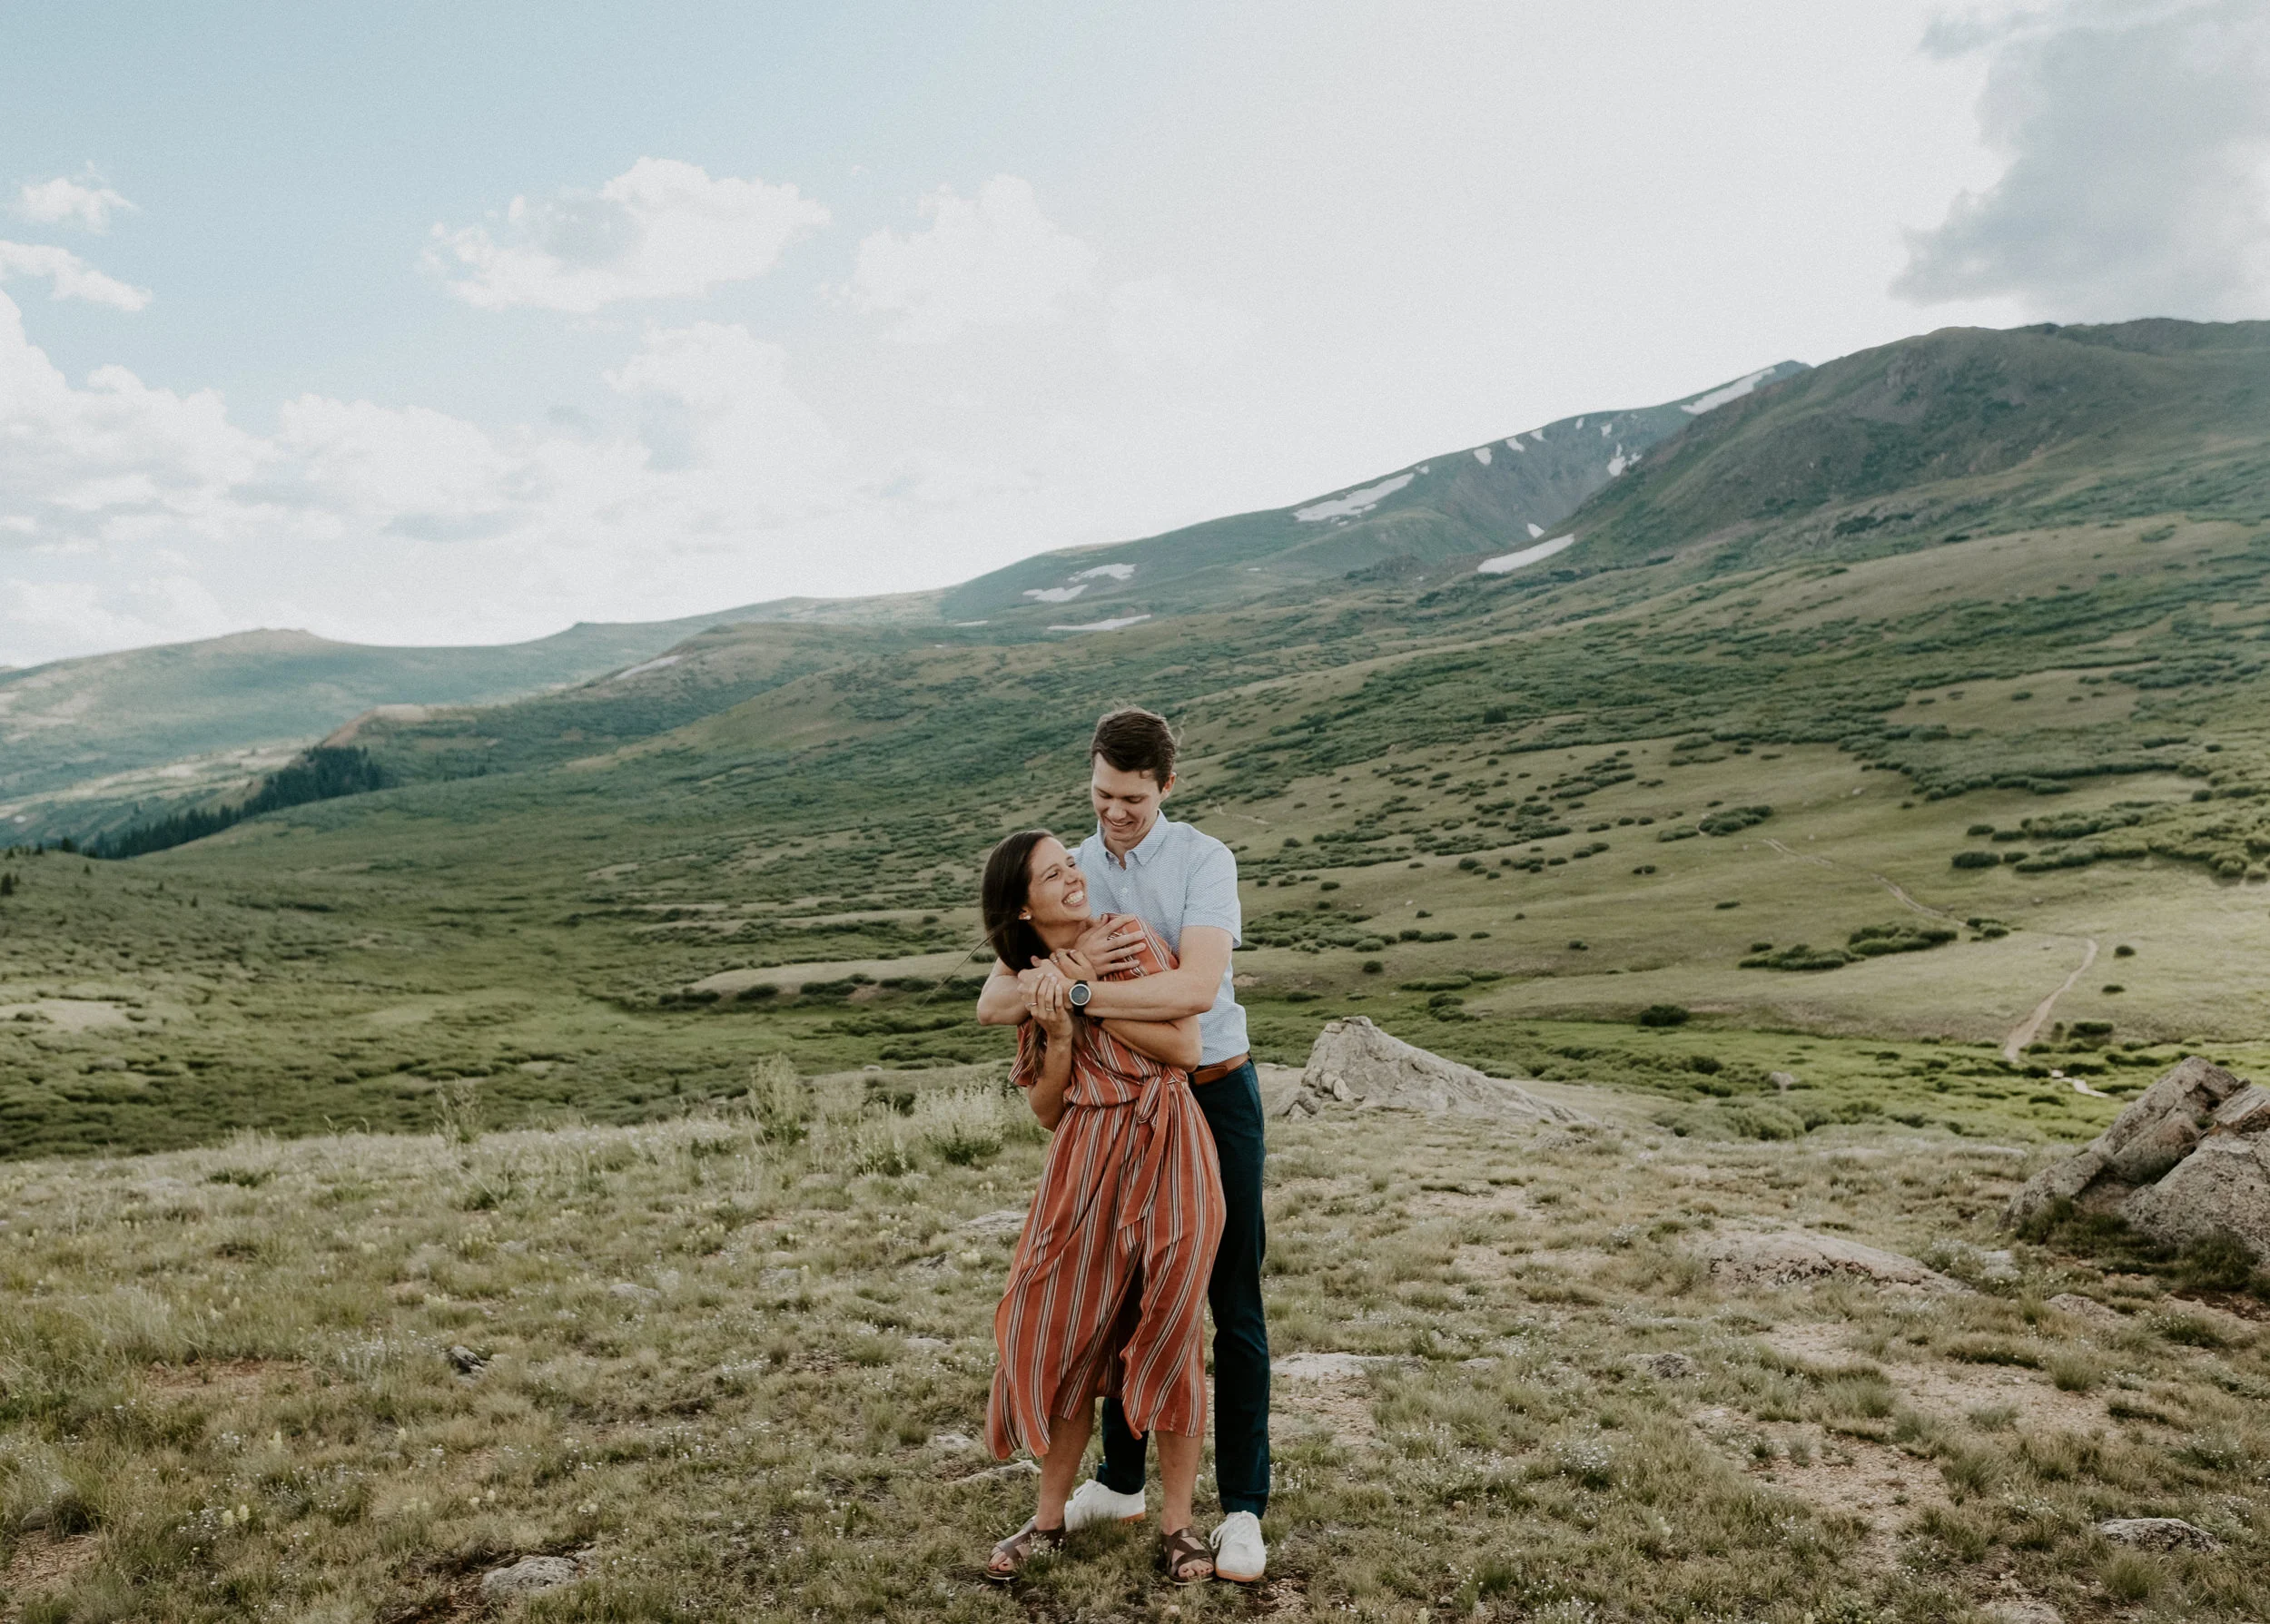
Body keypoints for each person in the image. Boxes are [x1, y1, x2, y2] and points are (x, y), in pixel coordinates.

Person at [977, 706, 1272, 1585]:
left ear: (1165, 788)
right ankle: (1118, 1480)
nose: (1111, 815)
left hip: (1209, 1093)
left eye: (1131, 800)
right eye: (1101, 795)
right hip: (1103, 1119)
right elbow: (995, 998)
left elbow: (1193, 987)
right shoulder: (1070, 868)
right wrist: (1058, 986)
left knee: (1225, 1301)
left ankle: (1242, 1507)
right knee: (1111, 1298)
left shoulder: (1201, 861)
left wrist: (1078, 994)